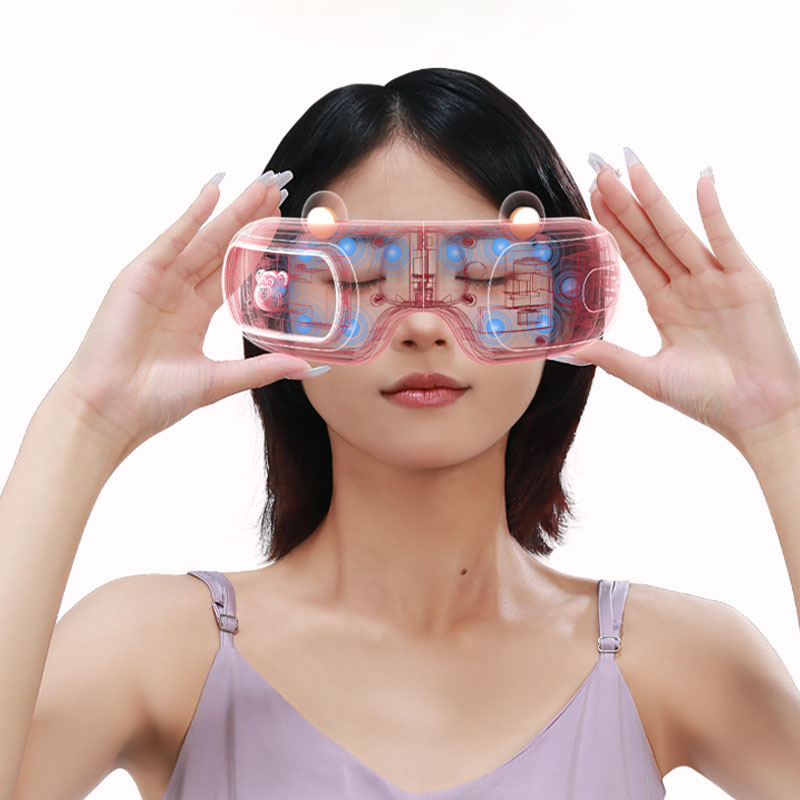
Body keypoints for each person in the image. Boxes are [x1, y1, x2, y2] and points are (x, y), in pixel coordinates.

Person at [3, 67, 800, 799]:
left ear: (562, 309)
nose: (424, 323)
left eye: (485, 276)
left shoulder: (679, 660)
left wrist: (781, 424)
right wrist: (84, 418)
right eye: (359, 279)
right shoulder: (153, 648)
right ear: (277, 310)